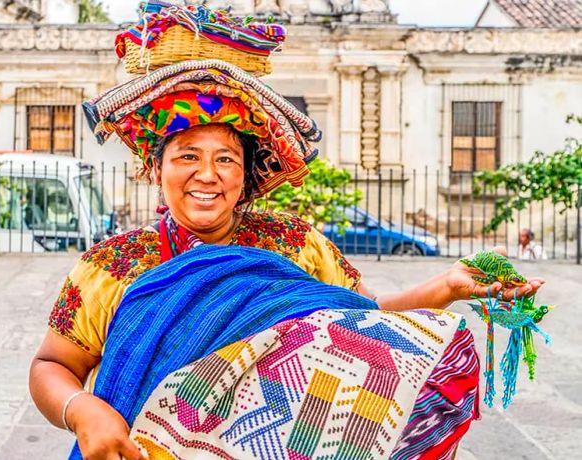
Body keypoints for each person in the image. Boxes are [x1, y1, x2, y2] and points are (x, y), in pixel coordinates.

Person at [29, 3, 544, 459]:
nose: (207, 175)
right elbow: (53, 365)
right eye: (187, 156)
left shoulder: (295, 245)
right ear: (155, 167)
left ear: (246, 173)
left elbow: (364, 323)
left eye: (225, 159)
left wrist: (447, 288)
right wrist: (82, 411)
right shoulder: (111, 264)